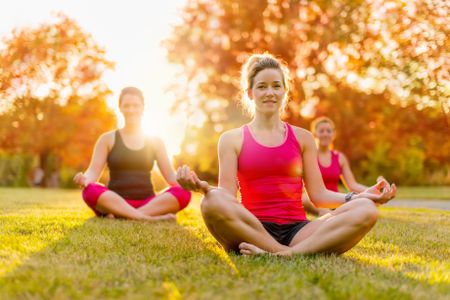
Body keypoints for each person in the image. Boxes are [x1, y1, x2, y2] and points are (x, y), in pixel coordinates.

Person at [176, 53, 396, 256]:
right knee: (211, 202)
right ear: (250, 93)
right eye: (262, 86)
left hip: (298, 231)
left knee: (366, 209)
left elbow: (319, 195)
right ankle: (285, 251)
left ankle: (286, 254)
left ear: (284, 91)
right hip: (252, 226)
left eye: (276, 86)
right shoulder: (231, 139)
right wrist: (204, 189)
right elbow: (227, 196)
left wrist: (359, 196)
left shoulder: (303, 138)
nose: (270, 92)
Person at [73, 87, 191, 221]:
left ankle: (123, 216)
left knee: (184, 191)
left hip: (149, 202)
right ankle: (148, 218)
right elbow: (93, 172)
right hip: (114, 201)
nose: (131, 110)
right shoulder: (107, 139)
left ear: (143, 107)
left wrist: (186, 180)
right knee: (89, 190)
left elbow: (170, 175)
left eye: (136, 105)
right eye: (127, 106)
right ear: (120, 108)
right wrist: (85, 179)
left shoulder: (155, 141)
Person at [302, 116, 386, 216]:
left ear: (333, 134)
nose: (325, 134)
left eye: (328, 131)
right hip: (313, 201)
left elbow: (352, 185)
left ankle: (333, 213)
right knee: (305, 198)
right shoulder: (308, 155)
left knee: (363, 202)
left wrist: (375, 190)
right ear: (315, 134)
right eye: (321, 131)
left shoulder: (340, 158)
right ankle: (326, 213)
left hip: (335, 200)